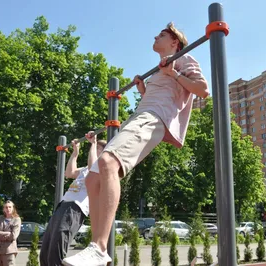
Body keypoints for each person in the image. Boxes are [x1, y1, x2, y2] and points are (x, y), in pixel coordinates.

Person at [63, 22, 209, 266]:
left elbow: (202, 90)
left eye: (162, 34)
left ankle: (99, 247)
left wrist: (173, 72)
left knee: (109, 163)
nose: (156, 36)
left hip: (153, 118)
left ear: (174, 41)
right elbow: (167, 94)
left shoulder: (183, 57)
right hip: (141, 116)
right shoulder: (159, 69)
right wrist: (143, 89)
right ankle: (95, 247)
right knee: (92, 178)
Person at [40, 131, 107, 266]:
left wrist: (93, 143)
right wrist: (75, 153)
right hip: (63, 205)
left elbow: (92, 165)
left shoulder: (102, 169)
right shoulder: (85, 170)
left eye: (99, 150)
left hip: (75, 209)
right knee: (45, 252)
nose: (95, 151)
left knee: (56, 253)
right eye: (96, 150)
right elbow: (69, 173)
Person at [0, 200, 21, 266]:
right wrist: (7, 233)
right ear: (3, 209)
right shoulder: (0, 218)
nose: (8, 209)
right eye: (6, 207)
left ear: (13, 208)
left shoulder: (17, 219)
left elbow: (13, 236)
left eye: (10, 207)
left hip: (8, 252)